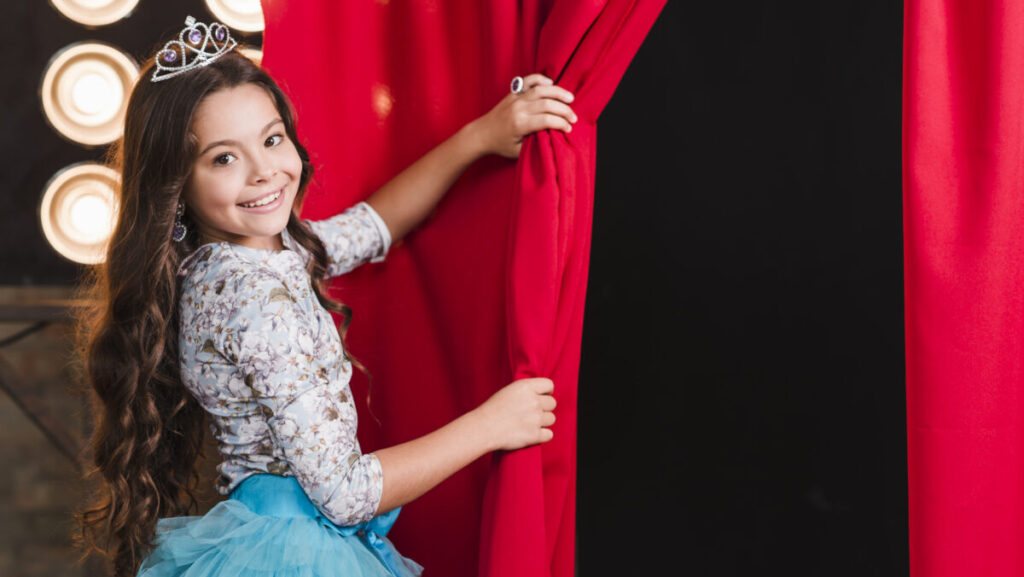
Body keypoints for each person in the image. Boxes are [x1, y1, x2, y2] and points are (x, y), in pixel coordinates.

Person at [75, 16, 577, 577]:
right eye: (224, 158)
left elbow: (373, 225)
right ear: (176, 184)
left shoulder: (242, 258)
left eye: (271, 139)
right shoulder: (255, 299)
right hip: (296, 551)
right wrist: (490, 425)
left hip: (271, 534)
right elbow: (346, 493)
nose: (265, 172)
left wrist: (478, 138)